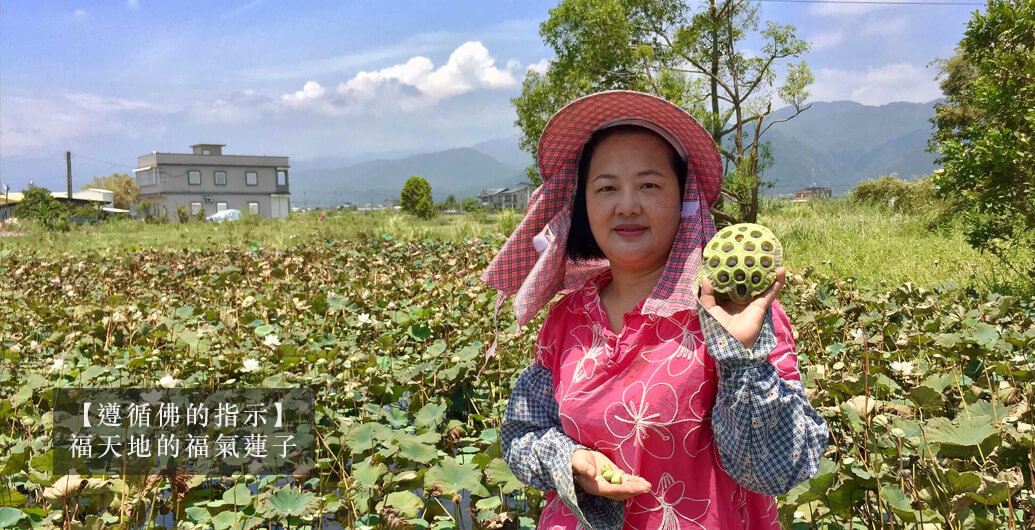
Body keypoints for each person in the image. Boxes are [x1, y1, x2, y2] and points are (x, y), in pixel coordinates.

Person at [480, 91, 829, 529]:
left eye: (649, 184)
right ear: (584, 206)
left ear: (685, 199)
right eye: (606, 187)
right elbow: (523, 433)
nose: (627, 205)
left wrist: (741, 361)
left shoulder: (736, 314)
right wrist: (573, 460)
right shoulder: (565, 318)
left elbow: (778, 471)